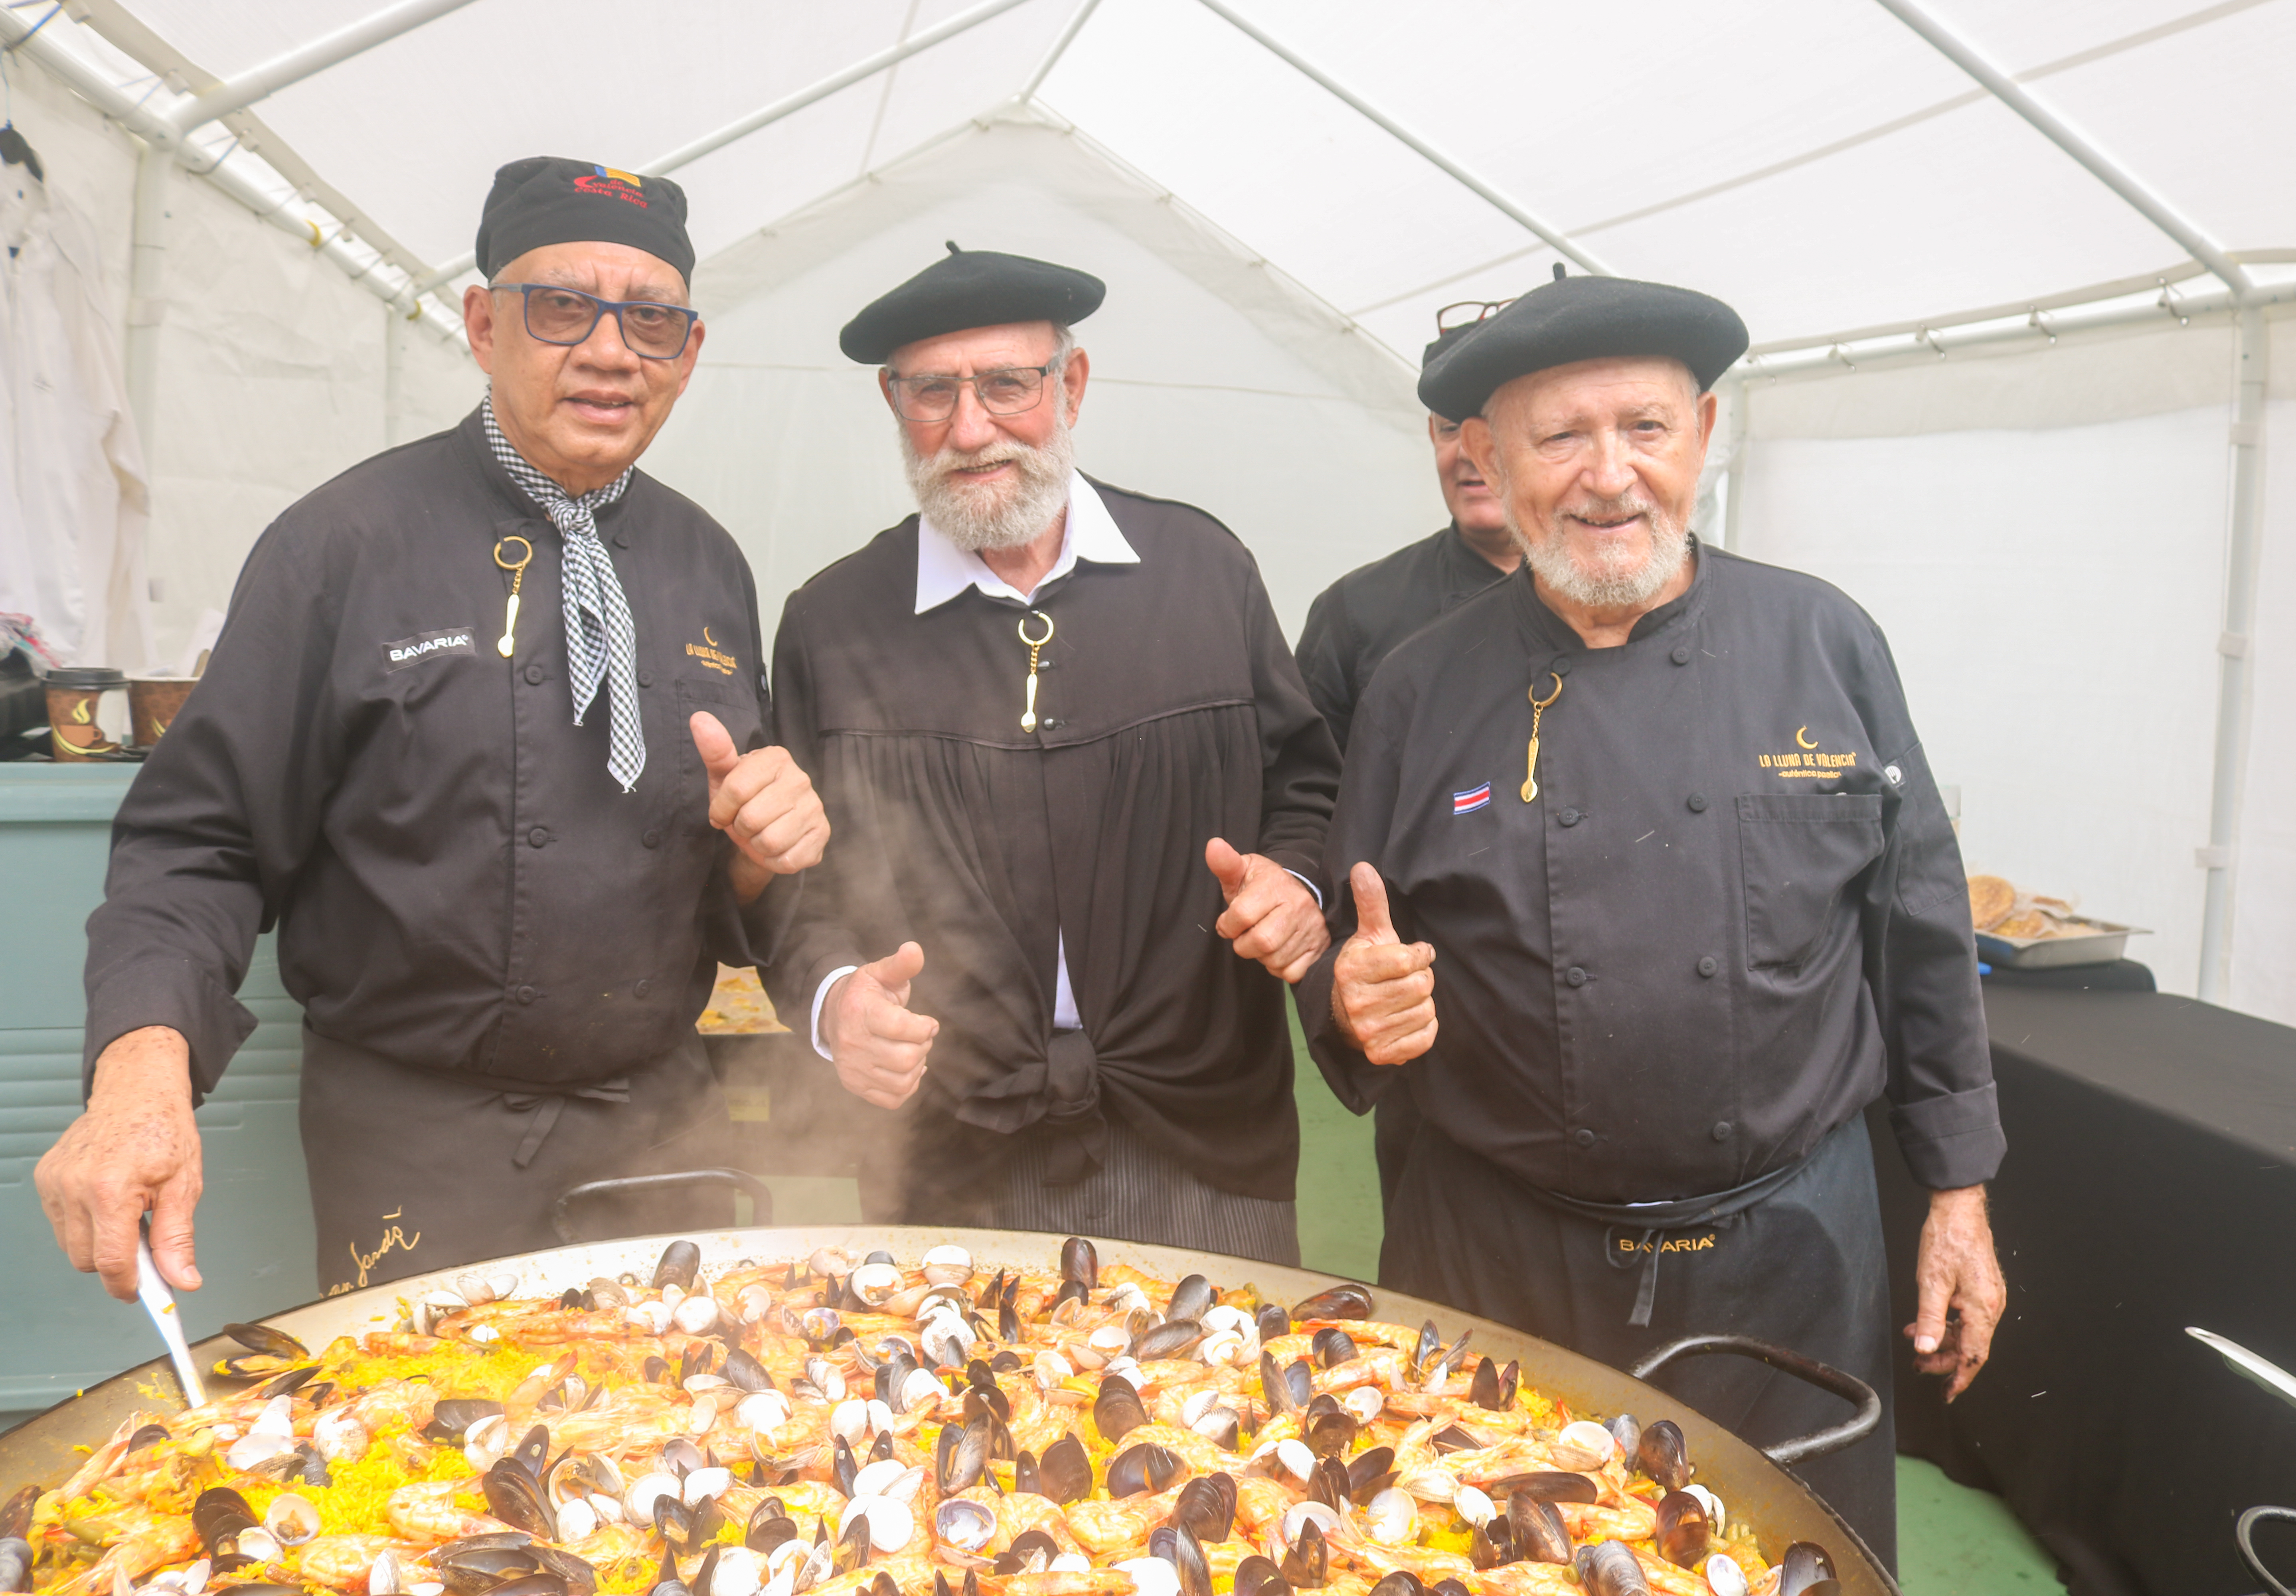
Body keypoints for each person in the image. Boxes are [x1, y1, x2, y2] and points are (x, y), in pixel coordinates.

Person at [1299, 273, 2008, 1560]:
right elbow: (1353, 961)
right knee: (1490, 1563)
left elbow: (1920, 925)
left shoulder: (1826, 643)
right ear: (1490, 458)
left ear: (1706, 434)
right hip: (1501, 1261)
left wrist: (1958, 1192)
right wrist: (1351, 1003)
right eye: (1560, 436)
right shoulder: (1415, 688)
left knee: (1797, 1565)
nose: (1607, 477)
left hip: (1787, 1259)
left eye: (1645, 429)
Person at [37, 157, 827, 1300]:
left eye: (651, 320)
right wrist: (140, 1075)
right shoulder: (340, 547)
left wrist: (755, 865)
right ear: (481, 323)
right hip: (415, 1134)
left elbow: (722, 872)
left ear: (687, 355)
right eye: (563, 307)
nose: (610, 351)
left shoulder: (711, 565)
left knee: (678, 1453)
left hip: (661, 1122)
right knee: (424, 1460)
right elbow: (194, 844)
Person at [768, 245, 1338, 1263]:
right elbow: (796, 893)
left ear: (1070, 385)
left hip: (1204, 1150)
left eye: (1008, 384)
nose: (972, 427)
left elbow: (1305, 787)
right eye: (933, 393)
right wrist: (834, 1001)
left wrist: (1294, 884)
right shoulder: (834, 622)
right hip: (947, 1159)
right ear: (894, 405)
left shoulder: (1204, 573)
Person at [1294, 311, 1519, 1228]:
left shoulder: (1634, 612)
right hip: (1433, 1053)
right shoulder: (1362, 613)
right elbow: (1305, 803)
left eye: (1493, 424)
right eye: (1444, 424)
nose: (1468, 452)